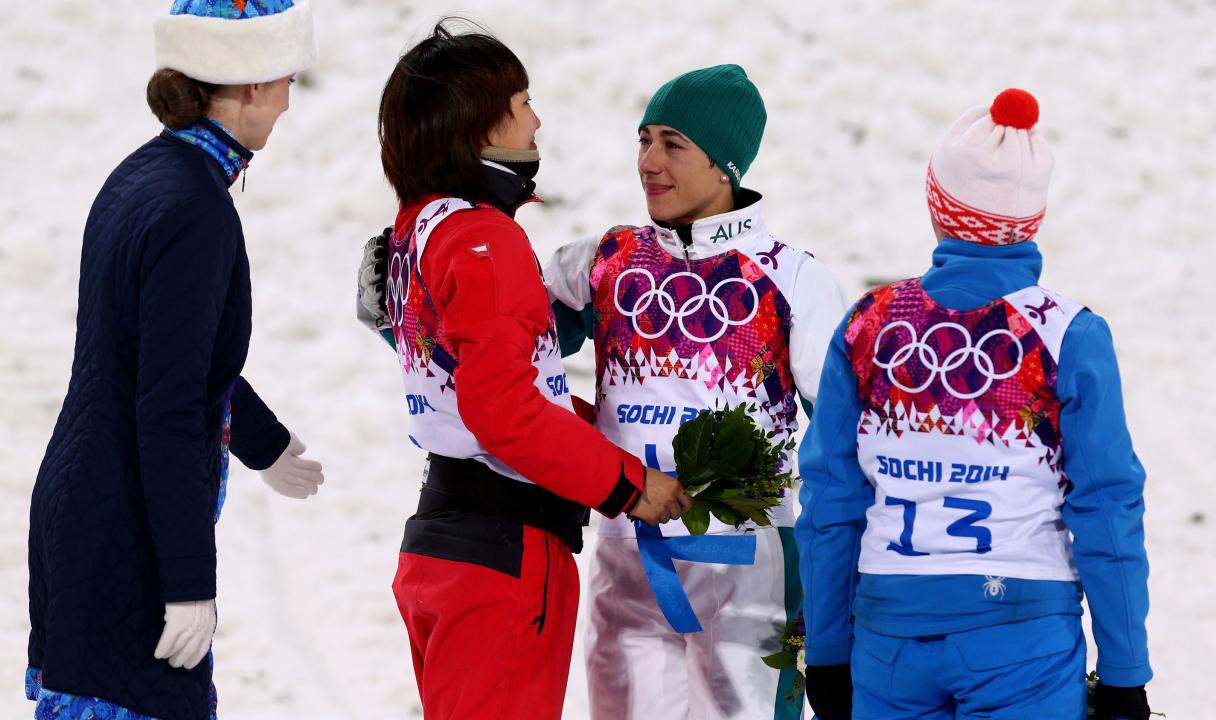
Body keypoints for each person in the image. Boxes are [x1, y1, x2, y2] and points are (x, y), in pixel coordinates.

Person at [795, 89, 1153, 720]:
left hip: (888, 633)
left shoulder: (869, 324)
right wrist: (1124, 672)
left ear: (937, 205)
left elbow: (831, 501)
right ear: (1032, 219)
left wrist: (826, 650)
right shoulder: (1068, 334)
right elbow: (1106, 505)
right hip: (1022, 633)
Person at [368, 21, 689, 720]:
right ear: (480, 125)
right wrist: (628, 485)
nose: (536, 120)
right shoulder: (484, 238)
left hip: (447, 549)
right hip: (502, 558)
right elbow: (503, 410)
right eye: (522, 102)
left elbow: (479, 384)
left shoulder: (420, 227)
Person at [25, 2, 323, 719]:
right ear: (252, 82)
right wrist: (187, 583)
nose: (289, 100)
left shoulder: (145, 175)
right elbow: (170, 404)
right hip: (125, 539)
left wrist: (265, 442)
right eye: (286, 79)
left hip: (89, 512)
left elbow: (162, 354)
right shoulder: (195, 209)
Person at [540, 64, 848, 720]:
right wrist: (406, 311)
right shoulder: (606, 260)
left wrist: (838, 587)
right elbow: (495, 352)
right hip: (628, 559)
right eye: (644, 139)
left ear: (724, 166)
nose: (648, 162)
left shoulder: (792, 277)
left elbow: (844, 445)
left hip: (750, 570)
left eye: (673, 144)